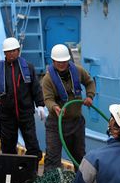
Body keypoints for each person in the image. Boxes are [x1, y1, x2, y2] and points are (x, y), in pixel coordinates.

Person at [0, 37, 46, 159]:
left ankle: (31, 173)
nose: (11, 53)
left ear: (18, 51)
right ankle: (10, 175)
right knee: (8, 149)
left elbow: (36, 89)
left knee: (33, 147)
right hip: (6, 116)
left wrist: (40, 105)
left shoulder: (28, 68)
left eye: (14, 51)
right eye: (9, 51)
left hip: (26, 114)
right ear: (4, 53)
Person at [41, 44, 96, 173]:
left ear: (68, 60)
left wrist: (89, 96)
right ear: (53, 61)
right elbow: (48, 99)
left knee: (80, 157)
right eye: (59, 62)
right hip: (56, 124)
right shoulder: (48, 79)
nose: (62, 64)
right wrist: (55, 107)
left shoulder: (78, 71)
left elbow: (89, 82)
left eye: (64, 61)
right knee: (52, 159)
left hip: (76, 122)